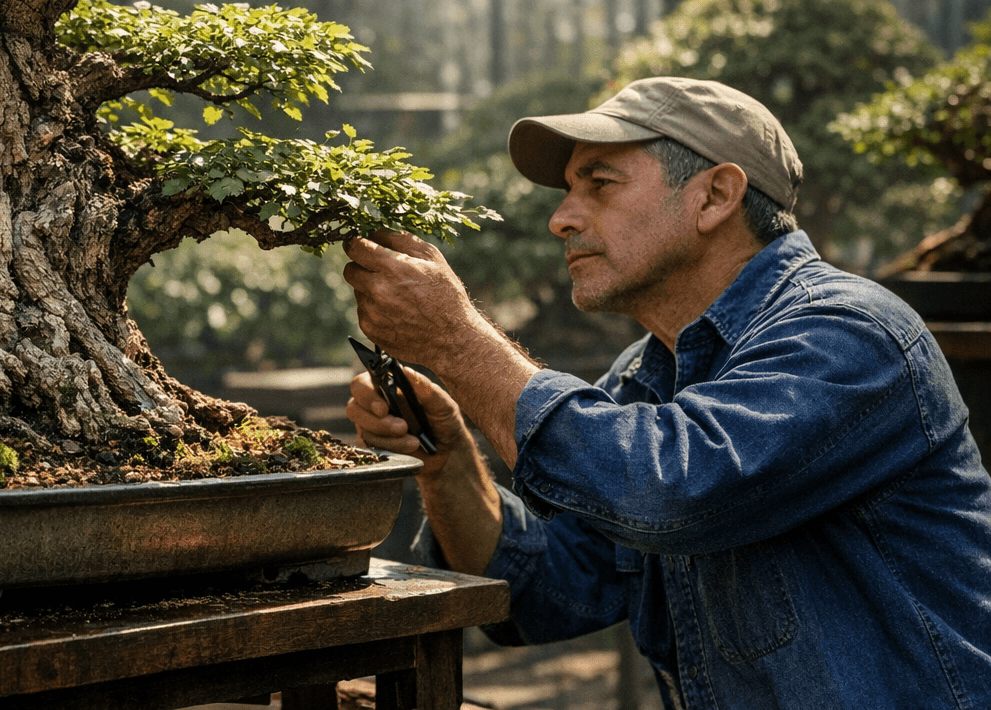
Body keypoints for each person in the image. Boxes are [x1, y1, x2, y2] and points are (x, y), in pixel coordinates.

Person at [342, 76, 991, 710]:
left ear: (714, 196)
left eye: (600, 184)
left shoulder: (848, 332)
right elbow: (546, 591)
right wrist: (449, 463)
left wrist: (460, 343)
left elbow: (673, 487)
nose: (561, 219)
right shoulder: (643, 378)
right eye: (569, 191)